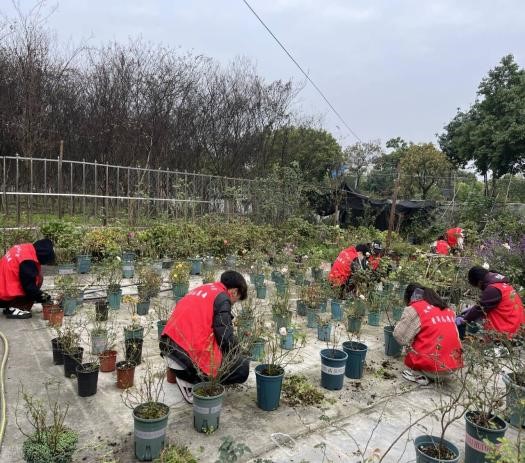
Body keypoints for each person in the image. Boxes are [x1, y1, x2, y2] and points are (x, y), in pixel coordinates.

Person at [160, 270, 250, 403]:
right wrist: (238, 353)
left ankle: (182, 375)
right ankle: (190, 383)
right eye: (236, 300)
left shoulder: (205, 288)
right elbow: (225, 337)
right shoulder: (223, 297)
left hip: (168, 346)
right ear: (234, 292)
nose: (233, 303)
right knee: (241, 368)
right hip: (184, 359)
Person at [394, 283, 463, 385]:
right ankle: (437, 376)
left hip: (432, 367)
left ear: (409, 297)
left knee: (411, 341)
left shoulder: (415, 308)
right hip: (452, 367)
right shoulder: (448, 310)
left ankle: (420, 374)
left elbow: (400, 337)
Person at [457, 266, 525, 338]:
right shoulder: (502, 285)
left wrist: (464, 319)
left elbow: (480, 309)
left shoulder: (493, 289)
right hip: (516, 326)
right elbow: (483, 306)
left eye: (477, 286)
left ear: (480, 282)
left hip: (507, 331)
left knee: (469, 320)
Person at [0, 239, 55, 319]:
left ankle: (11, 305)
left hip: (3, 285)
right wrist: (45, 298)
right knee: (38, 279)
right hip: (3, 296)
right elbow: (30, 287)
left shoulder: (26, 248)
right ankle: (14, 308)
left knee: (36, 276)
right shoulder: (27, 261)